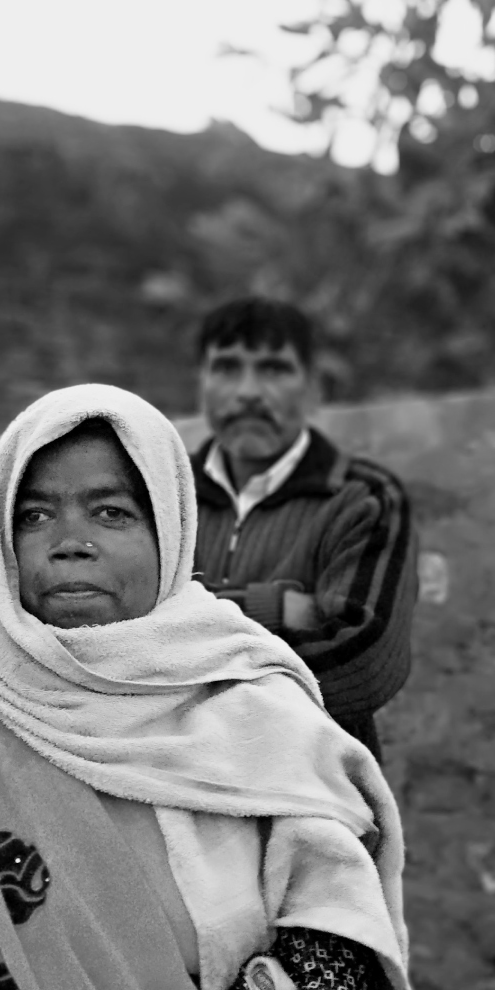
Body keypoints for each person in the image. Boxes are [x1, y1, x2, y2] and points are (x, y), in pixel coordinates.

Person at [0, 384, 416, 990]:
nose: (68, 542)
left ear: (170, 531)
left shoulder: (263, 713)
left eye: (110, 513)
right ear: (0, 539)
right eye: (34, 516)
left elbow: (333, 953)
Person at [190, 298, 418, 761]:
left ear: (314, 389)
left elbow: (364, 662)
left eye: (274, 369)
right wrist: (275, 606)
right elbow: (117, 626)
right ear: (202, 385)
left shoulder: (364, 498)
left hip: (313, 793)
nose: (249, 392)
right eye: (227, 368)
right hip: (170, 788)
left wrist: (180, 676)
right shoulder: (155, 493)